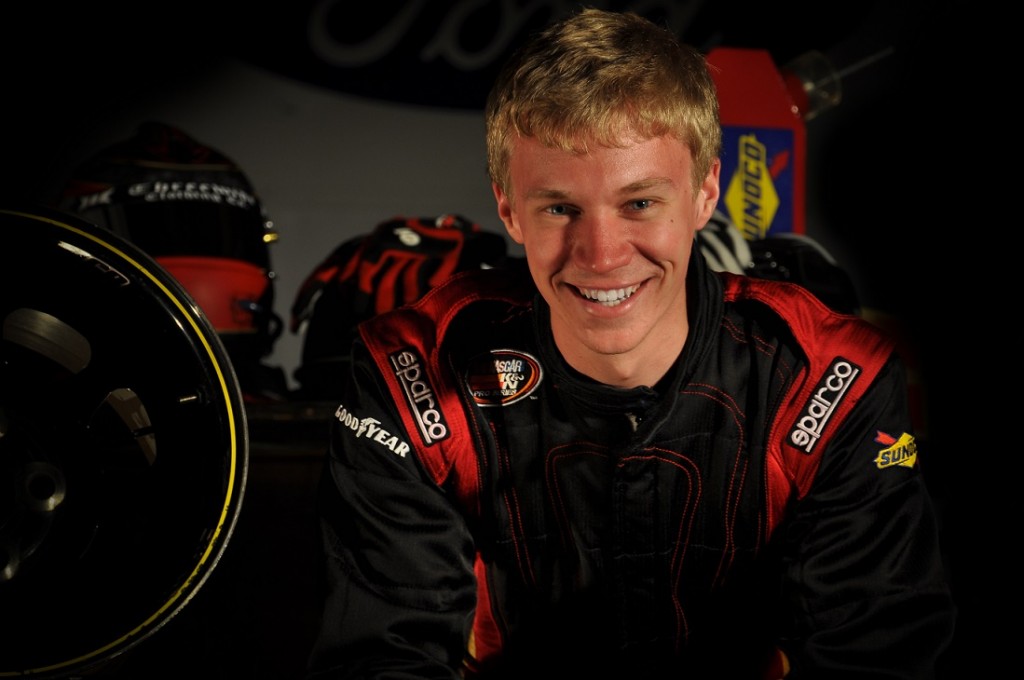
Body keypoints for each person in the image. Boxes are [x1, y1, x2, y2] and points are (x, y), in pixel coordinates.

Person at [305, 8, 955, 678]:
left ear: (704, 193)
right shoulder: (411, 373)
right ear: (508, 210)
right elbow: (382, 660)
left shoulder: (830, 379)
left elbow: (875, 659)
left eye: (640, 203)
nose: (602, 255)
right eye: (560, 208)